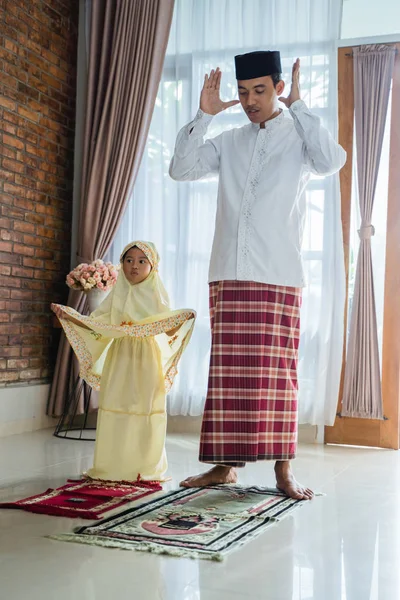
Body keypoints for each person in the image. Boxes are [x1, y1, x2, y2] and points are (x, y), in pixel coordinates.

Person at [169, 51, 346, 499]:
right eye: (244, 92)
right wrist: (204, 116)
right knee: (228, 375)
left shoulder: (301, 137)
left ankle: (284, 472)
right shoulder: (229, 141)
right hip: (228, 271)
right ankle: (224, 467)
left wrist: (303, 108)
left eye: (260, 91)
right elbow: (181, 168)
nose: (250, 100)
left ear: (280, 88)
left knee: (277, 376)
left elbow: (332, 161)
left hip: (278, 273)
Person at [52, 241, 196, 483]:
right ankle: (113, 466)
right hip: (120, 356)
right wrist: (70, 316)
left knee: (146, 408)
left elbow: (168, 330)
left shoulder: (157, 294)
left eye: (142, 261)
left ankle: (145, 467)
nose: (134, 266)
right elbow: (97, 324)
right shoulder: (115, 295)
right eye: (129, 260)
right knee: (115, 406)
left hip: (147, 358)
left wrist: (181, 320)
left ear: (153, 266)